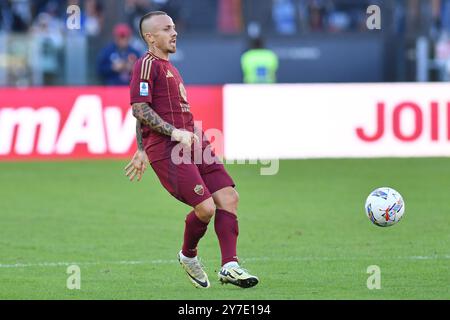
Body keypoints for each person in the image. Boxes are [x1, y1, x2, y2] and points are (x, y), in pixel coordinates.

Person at [124, 11, 258, 289]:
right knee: (206, 208)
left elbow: (145, 111)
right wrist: (156, 142)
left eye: (173, 27)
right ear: (150, 37)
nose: (173, 33)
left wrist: (141, 147)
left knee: (229, 197)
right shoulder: (146, 65)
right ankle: (188, 255)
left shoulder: (171, 67)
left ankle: (230, 266)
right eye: (165, 29)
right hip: (167, 147)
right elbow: (139, 107)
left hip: (193, 140)